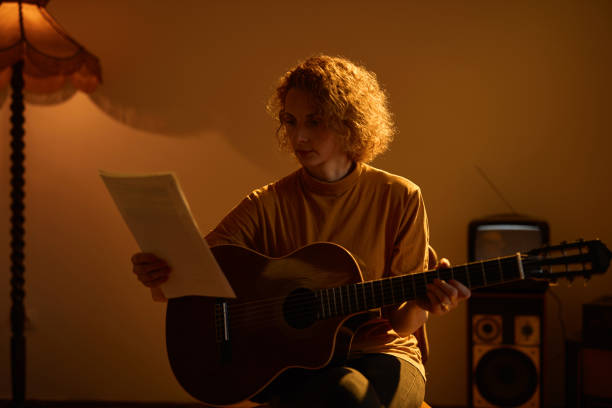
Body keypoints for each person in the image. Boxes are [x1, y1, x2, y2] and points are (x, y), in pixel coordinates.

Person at [131, 55, 471, 408]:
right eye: (290, 122)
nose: (299, 136)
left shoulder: (400, 197)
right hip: (297, 360)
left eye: (314, 121)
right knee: (334, 391)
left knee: (345, 393)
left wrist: (423, 302)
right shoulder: (267, 203)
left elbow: (401, 324)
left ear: (348, 123)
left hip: (383, 354)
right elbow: (199, 272)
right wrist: (162, 273)